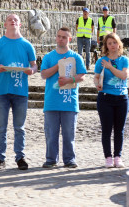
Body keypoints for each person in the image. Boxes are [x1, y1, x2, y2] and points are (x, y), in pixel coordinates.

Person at [0, 14, 38, 171]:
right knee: (1, 127)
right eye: (10, 19)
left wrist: (32, 71)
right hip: (1, 91)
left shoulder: (27, 45)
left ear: (20, 24)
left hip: (20, 91)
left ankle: (20, 157)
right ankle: (0, 157)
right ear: (5, 24)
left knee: (19, 127)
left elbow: (34, 66)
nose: (13, 21)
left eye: (15, 20)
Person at [40, 27, 87, 168]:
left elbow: (82, 76)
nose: (61, 39)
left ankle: (69, 159)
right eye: (59, 36)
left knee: (69, 134)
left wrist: (69, 80)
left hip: (69, 102)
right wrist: (58, 65)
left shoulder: (76, 57)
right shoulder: (49, 57)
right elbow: (43, 74)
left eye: (64, 37)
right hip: (51, 102)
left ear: (69, 39)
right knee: (51, 134)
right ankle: (51, 159)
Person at [93, 33, 129, 168]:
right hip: (105, 98)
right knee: (106, 129)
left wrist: (110, 67)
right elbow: (96, 77)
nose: (112, 45)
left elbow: (124, 76)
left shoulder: (124, 60)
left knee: (119, 130)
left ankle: (117, 156)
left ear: (119, 44)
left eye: (114, 42)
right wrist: (97, 84)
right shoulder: (101, 61)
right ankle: (108, 157)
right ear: (106, 46)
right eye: (109, 43)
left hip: (121, 98)